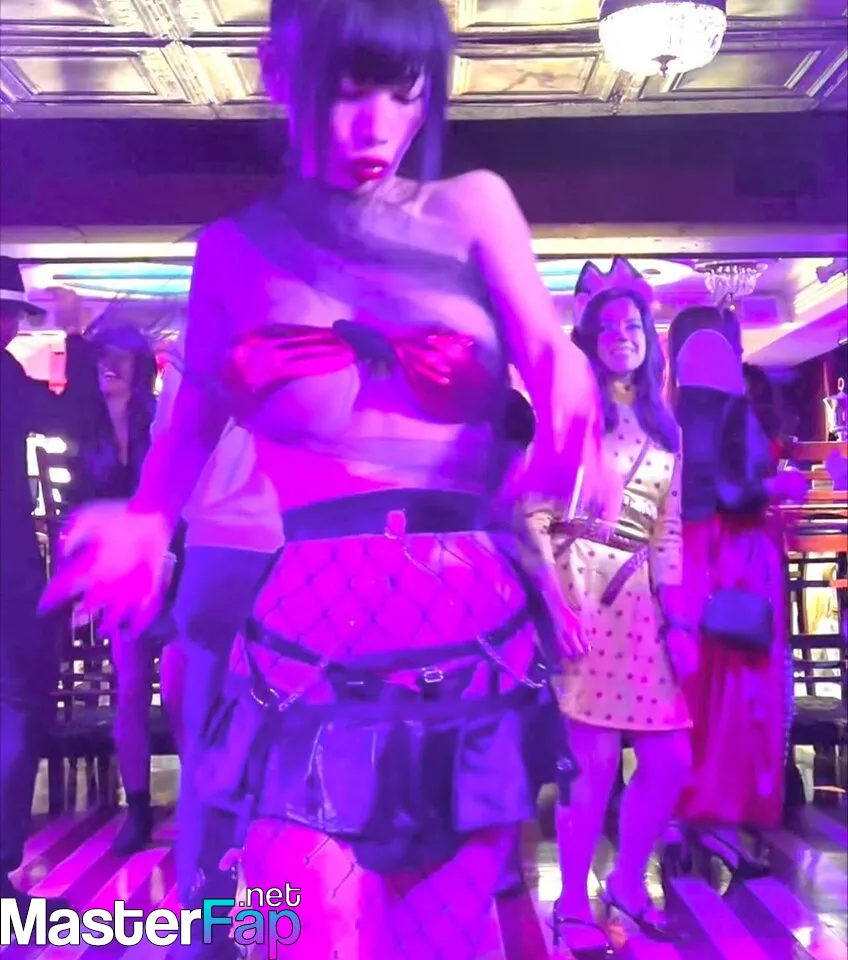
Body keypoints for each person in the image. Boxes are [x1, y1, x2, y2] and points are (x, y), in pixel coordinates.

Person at [39, 0, 610, 956]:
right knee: (308, 928)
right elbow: (194, 422)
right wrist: (146, 520)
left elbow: (550, 351)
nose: (378, 126)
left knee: (442, 939)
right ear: (281, 76)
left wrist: (567, 397)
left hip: (466, 614)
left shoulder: (475, 207)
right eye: (348, 93)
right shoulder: (234, 252)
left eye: (405, 92)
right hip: (314, 616)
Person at [535, 258, 695, 956]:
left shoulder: (664, 425)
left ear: (647, 336)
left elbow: (669, 529)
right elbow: (534, 512)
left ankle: (628, 880)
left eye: (631, 325)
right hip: (578, 592)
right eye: (607, 327)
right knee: (591, 765)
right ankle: (572, 900)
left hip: (639, 606)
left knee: (671, 760)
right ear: (589, 339)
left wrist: (679, 619)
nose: (621, 335)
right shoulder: (572, 414)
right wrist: (554, 606)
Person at [665, 305, 807, 880]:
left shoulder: (694, 401)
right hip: (736, 561)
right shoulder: (718, 396)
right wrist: (778, 485)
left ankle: (694, 819)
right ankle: (712, 819)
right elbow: (725, 488)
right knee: (735, 694)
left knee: (715, 693)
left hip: (724, 557)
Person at [152, 338, 283, 960]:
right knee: (287, 750)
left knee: (209, 753)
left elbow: (170, 453)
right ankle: (277, 924)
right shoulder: (321, 336)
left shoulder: (197, 348)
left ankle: (208, 930)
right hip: (292, 549)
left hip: (214, 553)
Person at [0, 256, 98, 910]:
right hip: (4, 566)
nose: (12, 327)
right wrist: (77, 341)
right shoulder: (4, 375)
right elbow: (69, 422)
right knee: (16, 708)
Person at [64, 323, 183, 855]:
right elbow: (83, 510)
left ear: (139, 369)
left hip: (174, 568)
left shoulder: (159, 423)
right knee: (131, 688)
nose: (108, 367)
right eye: (102, 358)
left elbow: (179, 496)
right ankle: (138, 810)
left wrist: (169, 556)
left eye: (119, 358)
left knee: (179, 691)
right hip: (124, 576)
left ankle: (196, 803)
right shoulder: (88, 430)